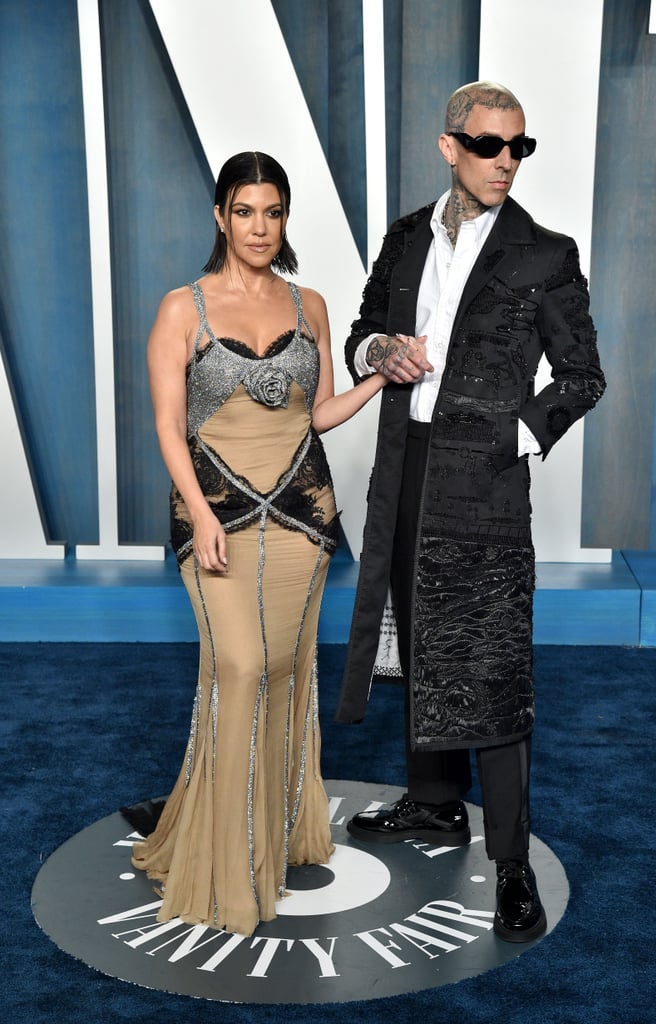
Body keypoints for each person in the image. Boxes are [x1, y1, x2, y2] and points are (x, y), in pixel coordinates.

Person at [335, 81, 606, 942]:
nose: (506, 163)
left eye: (519, 147)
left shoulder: (546, 254)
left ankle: (513, 862)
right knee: (419, 637)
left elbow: (582, 377)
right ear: (450, 145)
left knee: (489, 664)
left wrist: (513, 438)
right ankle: (435, 802)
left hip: (485, 485)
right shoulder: (409, 236)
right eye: (490, 145)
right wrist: (381, 350)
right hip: (406, 469)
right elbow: (360, 330)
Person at [129, 151, 385, 937]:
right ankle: (227, 865)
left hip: (305, 519)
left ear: (284, 217)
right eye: (245, 212)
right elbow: (171, 427)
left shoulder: (309, 302)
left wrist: (380, 380)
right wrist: (201, 514)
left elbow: (315, 414)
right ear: (219, 217)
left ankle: (273, 836)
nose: (260, 227)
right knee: (238, 667)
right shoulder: (183, 309)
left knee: (284, 670)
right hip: (216, 518)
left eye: (272, 212)